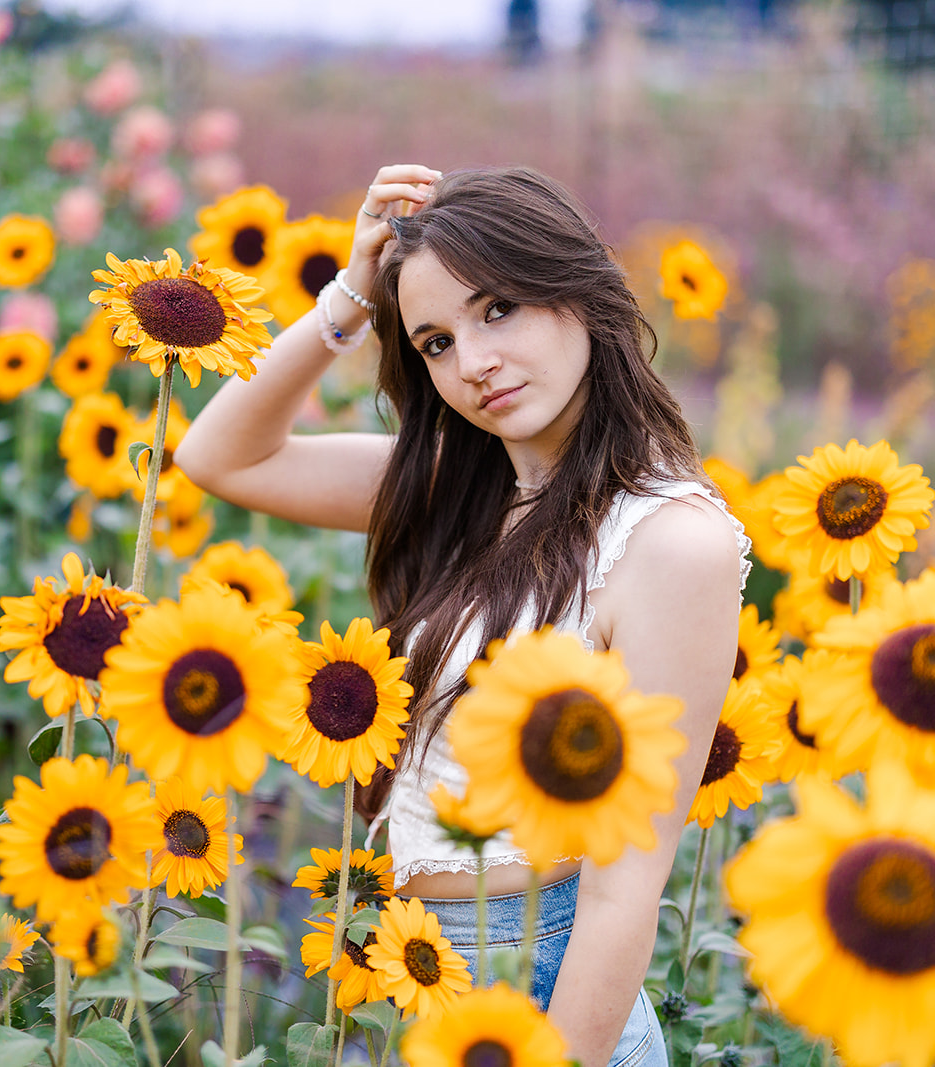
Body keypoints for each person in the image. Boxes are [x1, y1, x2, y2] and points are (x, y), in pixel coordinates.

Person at [178, 164, 748, 1066]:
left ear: (579, 289)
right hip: (418, 979)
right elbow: (218, 456)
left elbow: (627, 882)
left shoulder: (670, 543)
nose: (473, 363)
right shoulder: (459, 491)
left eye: (497, 310)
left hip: (545, 999)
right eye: (436, 342)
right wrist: (351, 294)